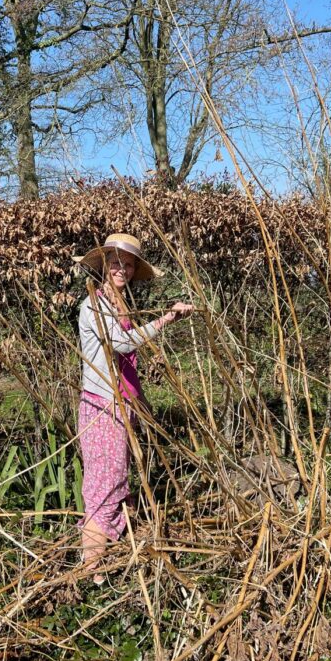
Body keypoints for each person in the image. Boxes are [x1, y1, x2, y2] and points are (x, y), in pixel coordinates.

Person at [73, 233, 194, 583]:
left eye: (128, 264)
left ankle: (98, 567)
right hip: (101, 406)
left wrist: (140, 405)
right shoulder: (93, 306)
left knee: (115, 481)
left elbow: (127, 368)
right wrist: (165, 320)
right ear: (103, 266)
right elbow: (121, 344)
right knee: (104, 486)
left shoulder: (118, 305)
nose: (121, 269)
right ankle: (91, 572)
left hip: (119, 405)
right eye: (116, 262)